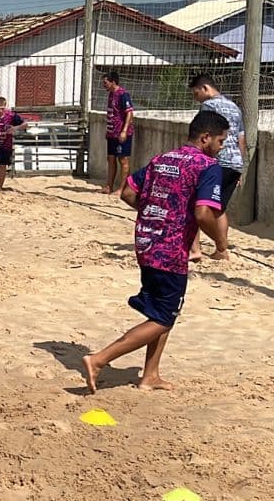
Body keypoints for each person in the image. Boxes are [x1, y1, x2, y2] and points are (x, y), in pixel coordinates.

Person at [81, 111, 230, 393]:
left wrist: (154, 214)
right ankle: (99, 359)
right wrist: (220, 244)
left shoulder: (162, 159)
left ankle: (150, 375)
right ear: (206, 137)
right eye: (221, 141)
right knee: (163, 317)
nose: (221, 147)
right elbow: (202, 212)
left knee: (162, 313)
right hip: (171, 250)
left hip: (146, 242)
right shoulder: (207, 166)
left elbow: (127, 193)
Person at [188, 73, 244, 262]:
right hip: (235, 163)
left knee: (194, 202)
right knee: (218, 207)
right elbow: (241, 138)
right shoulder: (234, 107)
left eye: (196, 94)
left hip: (215, 163)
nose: (196, 99)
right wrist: (241, 167)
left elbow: (202, 136)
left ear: (204, 88)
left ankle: (195, 249)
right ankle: (222, 250)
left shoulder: (208, 107)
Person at [103, 71, 135, 195]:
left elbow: (129, 113)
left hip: (121, 132)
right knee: (111, 158)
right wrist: (108, 130)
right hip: (112, 133)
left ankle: (122, 188)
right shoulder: (111, 94)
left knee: (123, 159)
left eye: (106, 82)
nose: (104, 85)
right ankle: (108, 186)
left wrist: (124, 131)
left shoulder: (123, 95)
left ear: (113, 82)